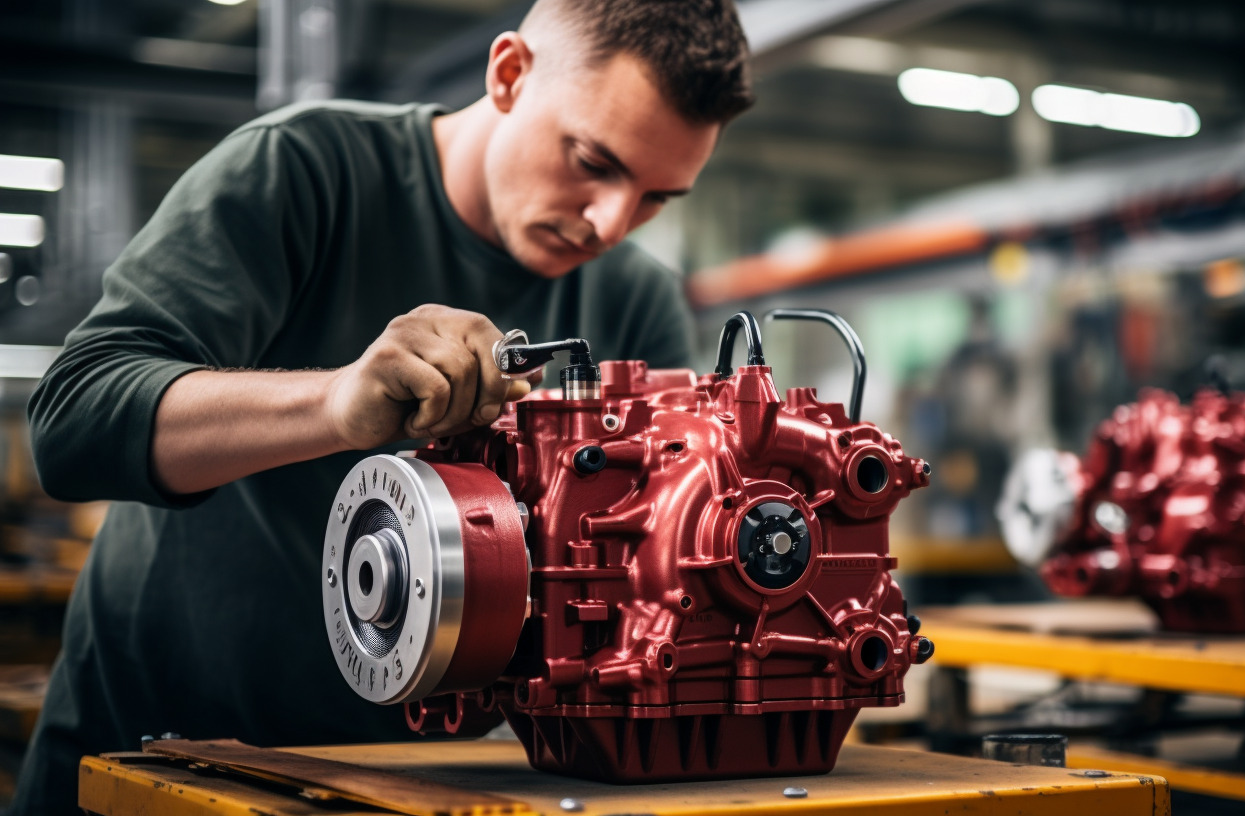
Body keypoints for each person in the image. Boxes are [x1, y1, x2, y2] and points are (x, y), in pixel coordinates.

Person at [11, 0, 752, 811]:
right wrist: (335, 402)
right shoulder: (301, 170)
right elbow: (74, 420)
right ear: (508, 74)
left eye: (655, 198)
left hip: (421, 790)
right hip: (155, 765)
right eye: (592, 161)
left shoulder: (634, 300)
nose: (611, 222)